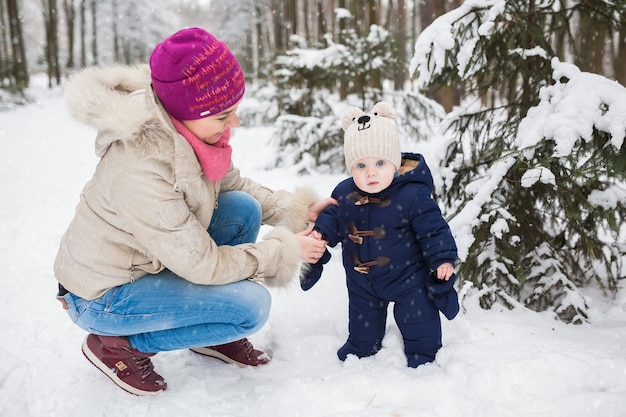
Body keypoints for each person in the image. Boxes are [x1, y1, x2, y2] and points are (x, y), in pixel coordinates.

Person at [54, 27, 332, 396]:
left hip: (150, 260)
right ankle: (114, 346)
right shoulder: (142, 167)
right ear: (186, 113)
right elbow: (204, 265)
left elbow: (234, 186)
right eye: (222, 116)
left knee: (241, 209)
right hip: (104, 294)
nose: (234, 124)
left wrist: (297, 209)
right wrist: (284, 251)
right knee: (249, 309)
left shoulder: (191, 135)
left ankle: (212, 334)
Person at [300, 101, 460, 368]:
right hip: (362, 280)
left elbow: (433, 228)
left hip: (408, 278)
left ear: (394, 163)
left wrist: (442, 257)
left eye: (379, 163)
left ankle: (424, 356)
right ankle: (362, 347)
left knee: (418, 318)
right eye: (360, 165)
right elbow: (333, 216)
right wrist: (321, 234)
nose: (370, 172)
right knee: (363, 318)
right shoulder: (345, 193)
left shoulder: (412, 194)